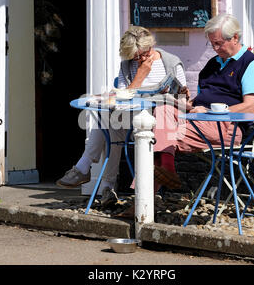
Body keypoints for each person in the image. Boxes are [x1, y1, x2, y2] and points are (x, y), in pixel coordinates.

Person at [55, 26, 187, 206]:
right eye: (134, 56)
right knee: (106, 121)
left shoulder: (171, 63)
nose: (139, 59)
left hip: (160, 125)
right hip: (131, 119)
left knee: (110, 124)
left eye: (143, 54)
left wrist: (178, 93)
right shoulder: (127, 65)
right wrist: (139, 77)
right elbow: (122, 98)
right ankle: (103, 185)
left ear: (151, 46)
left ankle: (92, 175)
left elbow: (182, 100)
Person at [152, 13, 254, 180]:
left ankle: (145, 200)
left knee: (155, 139)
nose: (215, 48)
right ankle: (165, 172)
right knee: (164, 110)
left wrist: (208, 113)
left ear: (235, 38)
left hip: (227, 126)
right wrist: (179, 100)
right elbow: (199, 102)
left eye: (218, 44)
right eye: (211, 44)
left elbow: (250, 107)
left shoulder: (250, 64)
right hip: (198, 120)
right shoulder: (212, 64)